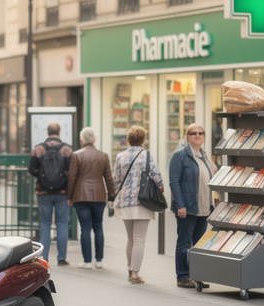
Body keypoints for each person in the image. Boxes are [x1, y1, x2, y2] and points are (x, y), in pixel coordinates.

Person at [113, 126, 164, 284]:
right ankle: (135, 273)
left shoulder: (120, 156)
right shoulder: (146, 156)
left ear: (128, 139)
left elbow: (116, 179)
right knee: (139, 239)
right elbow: (157, 178)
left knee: (130, 239)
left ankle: (130, 268)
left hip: (124, 202)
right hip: (143, 202)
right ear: (143, 139)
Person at [169, 123, 216, 289]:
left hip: (203, 208)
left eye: (200, 133)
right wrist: (180, 205)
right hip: (187, 208)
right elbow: (174, 182)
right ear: (187, 136)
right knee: (184, 243)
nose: (197, 136)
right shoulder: (180, 155)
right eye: (193, 133)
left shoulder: (204, 156)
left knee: (198, 244)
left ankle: (197, 276)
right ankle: (182, 276)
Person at [67, 127, 115, 270]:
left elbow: (72, 177)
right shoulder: (103, 156)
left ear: (82, 140)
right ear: (94, 139)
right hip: (99, 195)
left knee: (85, 228)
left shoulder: (76, 155)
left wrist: (69, 196)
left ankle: (87, 261)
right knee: (98, 227)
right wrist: (111, 196)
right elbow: (109, 178)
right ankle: (99, 260)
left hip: (81, 196)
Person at [29, 122, 73, 266]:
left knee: (46, 224)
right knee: (62, 223)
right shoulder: (67, 149)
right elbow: (71, 171)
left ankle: (43, 258)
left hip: (43, 191)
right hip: (62, 191)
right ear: (59, 133)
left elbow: (31, 169)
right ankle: (61, 258)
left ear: (47, 132)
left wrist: (42, 175)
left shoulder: (38, 149)